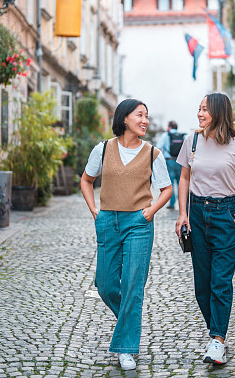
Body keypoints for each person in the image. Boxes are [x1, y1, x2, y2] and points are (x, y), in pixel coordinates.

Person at [80, 99, 173, 371]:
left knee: (133, 285)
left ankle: (126, 348)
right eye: (139, 115)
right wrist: (94, 210)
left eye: (146, 116)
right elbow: (86, 180)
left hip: (138, 224)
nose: (145, 120)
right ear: (124, 118)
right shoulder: (103, 149)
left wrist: (150, 211)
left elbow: (166, 189)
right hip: (108, 221)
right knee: (105, 285)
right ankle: (129, 322)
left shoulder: (153, 153)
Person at [174, 93, 235, 365]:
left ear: (219, 112)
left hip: (226, 215)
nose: (199, 114)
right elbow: (184, 178)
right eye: (199, 109)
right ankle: (216, 333)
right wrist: (183, 213)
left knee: (220, 281)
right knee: (202, 286)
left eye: (205, 109)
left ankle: (217, 340)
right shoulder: (192, 141)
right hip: (197, 213)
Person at [160, 120, 185, 209]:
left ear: (169, 127)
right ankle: (182, 204)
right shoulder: (182, 136)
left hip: (169, 161)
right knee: (180, 183)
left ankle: (172, 203)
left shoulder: (165, 135)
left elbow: (159, 147)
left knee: (170, 183)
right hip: (180, 161)